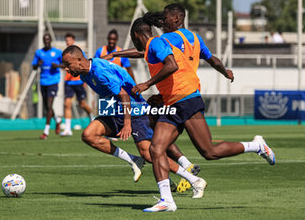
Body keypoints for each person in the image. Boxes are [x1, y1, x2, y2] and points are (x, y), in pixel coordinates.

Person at [129, 16, 275, 212]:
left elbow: (172, 65)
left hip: (186, 100)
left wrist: (147, 84)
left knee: (209, 152)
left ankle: (257, 146)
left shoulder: (156, 42)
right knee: (156, 150)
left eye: (133, 38)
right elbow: (154, 58)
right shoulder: (157, 45)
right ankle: (167, 201)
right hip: (173, 103)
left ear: (137, 35)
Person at [61, 45, 207, 193]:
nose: (66, 69)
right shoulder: (84, 73)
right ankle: (133, 160)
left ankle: (194, 180)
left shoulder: (99, 72)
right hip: (117, 111)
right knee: (88, 135)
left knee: (149, 154)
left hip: (135, 111)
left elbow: (124, 95)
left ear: (79, 60)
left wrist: (127, 123)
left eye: (67, 64)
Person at [60, 33, 94, 136]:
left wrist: (85, 81)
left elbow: (84, 65)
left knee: (82, 104)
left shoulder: (78, 52)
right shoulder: (65, 54)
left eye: (69, 40)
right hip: (68, 82)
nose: (67, 42)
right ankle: (67, 129)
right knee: (67, 104)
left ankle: (92, 117)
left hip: (78, 81)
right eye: (66, 40)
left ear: (73, 40)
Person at [32, 33, 62, 139]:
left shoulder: (57, 53)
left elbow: (65, 65)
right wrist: (38, 64)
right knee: (47, 107)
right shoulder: (39, 53)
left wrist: (57, 65)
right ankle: (58, 120)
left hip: (53, 82)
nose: (47, 41)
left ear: (51, 40)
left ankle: (46, 132)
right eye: (45, 40)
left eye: (48, 40)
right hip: (43, 82)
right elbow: (34, 67)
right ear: (43, 41)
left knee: (49, 106)